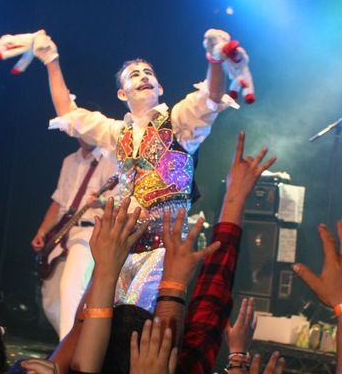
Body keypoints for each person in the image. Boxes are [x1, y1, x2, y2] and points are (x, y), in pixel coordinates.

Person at [34, 29, 241, 308]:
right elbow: (68, 114)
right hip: (124, 247)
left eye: (148, 73)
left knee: (140, 314)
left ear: (160, 88)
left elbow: (212, 97)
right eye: (134, 74)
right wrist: (51, 60)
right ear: (122, 93)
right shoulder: (118, 132)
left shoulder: (177, 121)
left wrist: (214, 60)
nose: (143, 77)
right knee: (114, 316)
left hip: (165, 247)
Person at [31, 140, 115, 339]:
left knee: (71, 288)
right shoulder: (69, 160)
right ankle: (70, 343)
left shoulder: (110, 159)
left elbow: (119, 200)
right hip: (64, 231)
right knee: (51, 299)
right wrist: (42, 231)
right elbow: (59, 202)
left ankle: (70, 353)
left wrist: (101, 202)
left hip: (90, 232)